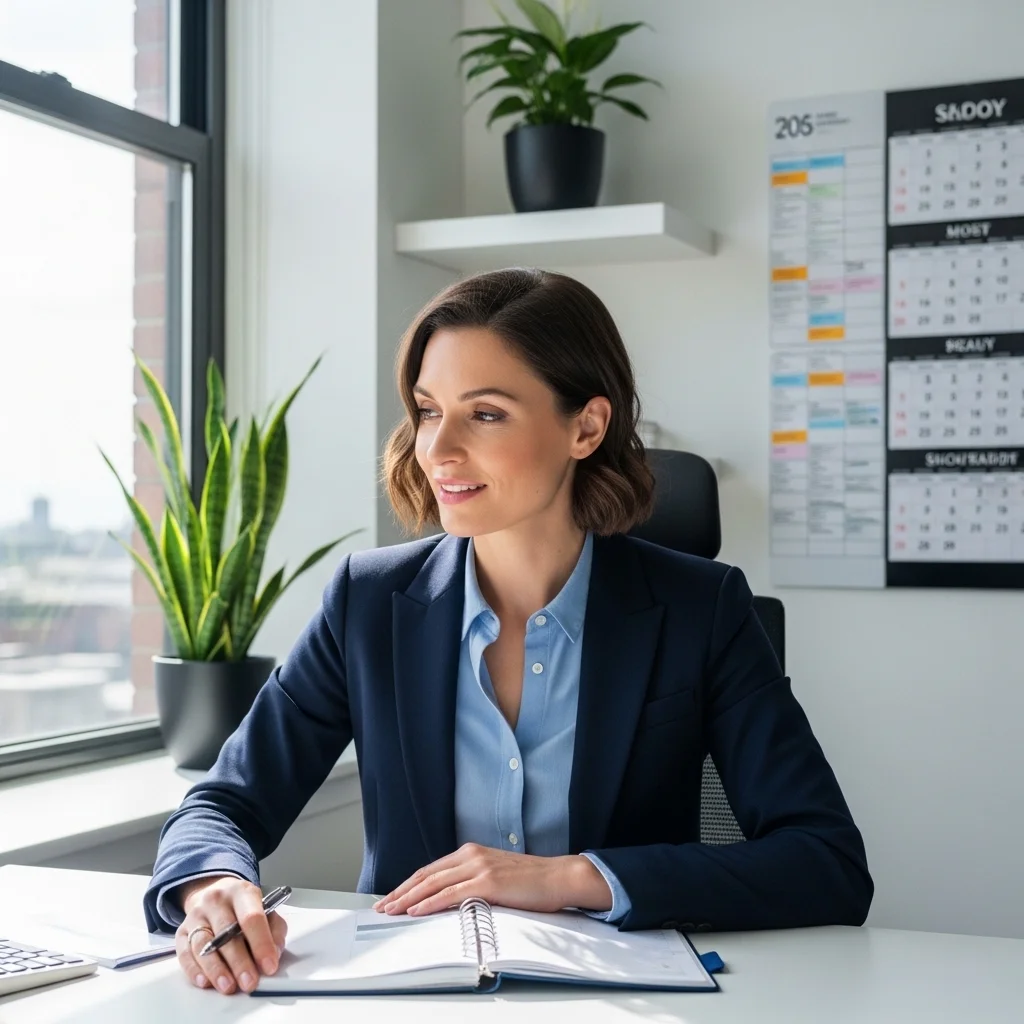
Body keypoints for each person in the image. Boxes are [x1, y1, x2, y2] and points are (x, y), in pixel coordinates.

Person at [144, 268, 872, 996]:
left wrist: (570, 878)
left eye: (485, 414)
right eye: (428, 411)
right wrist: (209, 882)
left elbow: (825, 860)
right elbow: (224, 802)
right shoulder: (368, 601)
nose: (438, 449)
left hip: (619, 1000)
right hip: (412, 1000)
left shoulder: (701, 608)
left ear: (585, 427)